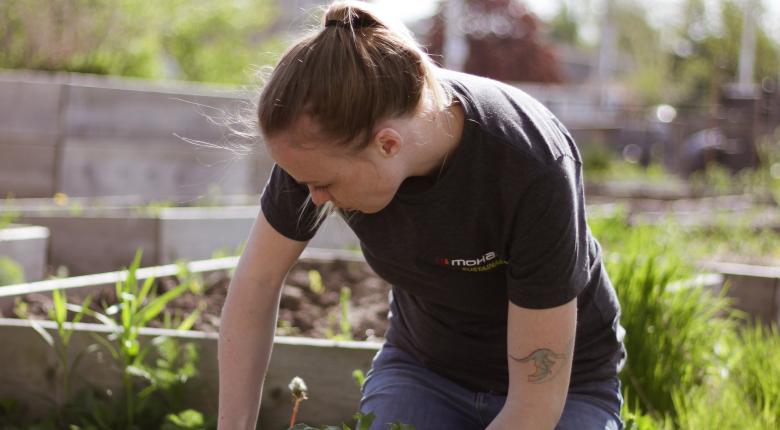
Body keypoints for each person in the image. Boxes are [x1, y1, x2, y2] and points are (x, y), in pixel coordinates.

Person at [217, 1, 626, 429]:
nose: (313, 197)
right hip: (426, 372)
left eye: (324, 184)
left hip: (565, 387)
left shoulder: (530, 164)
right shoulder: (313, 152)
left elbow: (535, 404)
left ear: (388, 145)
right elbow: (256, 283)